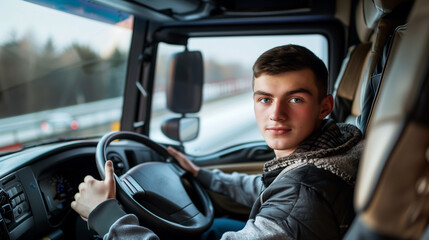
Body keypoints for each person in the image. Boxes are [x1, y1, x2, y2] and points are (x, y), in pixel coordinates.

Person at [71, 44, 364, 239]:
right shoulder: (327, 148)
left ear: (325, 107)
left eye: (295, 99)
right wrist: (201, 175)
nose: (276, 114)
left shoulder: (302, 195)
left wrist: (105, 215)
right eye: (265, 99)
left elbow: (290, 200)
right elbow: (268, 189)